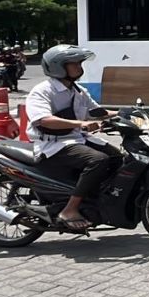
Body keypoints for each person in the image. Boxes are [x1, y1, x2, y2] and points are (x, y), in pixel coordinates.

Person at [25, 45, 118, 231]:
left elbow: (96, 112)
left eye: (79, 63)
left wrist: (124, 114)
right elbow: (43, 120)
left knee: (117, 157)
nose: (79, 67)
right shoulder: (43, 90)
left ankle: (96, 200)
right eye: (74, 63)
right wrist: (80, 124)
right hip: (53, 145)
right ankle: (70, 209)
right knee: (98, 160)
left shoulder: (78, 91)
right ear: (58, 66)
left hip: (76, 139)